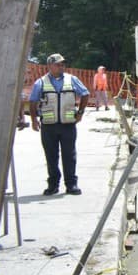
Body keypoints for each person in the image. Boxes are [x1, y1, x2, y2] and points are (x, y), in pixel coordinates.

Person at [29, 54, 89, 195]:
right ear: (49, 66)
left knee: (69, 155)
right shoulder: (40, 83)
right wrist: (33, 120)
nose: (61, 67)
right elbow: (33, 101)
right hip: (48, 126)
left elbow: (85, 94)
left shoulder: (72, 79)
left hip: (68, 125)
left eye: (63, 64)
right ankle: (53, 185)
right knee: (51, 156)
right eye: (58, 64)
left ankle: (71, 184)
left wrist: (80, 112)